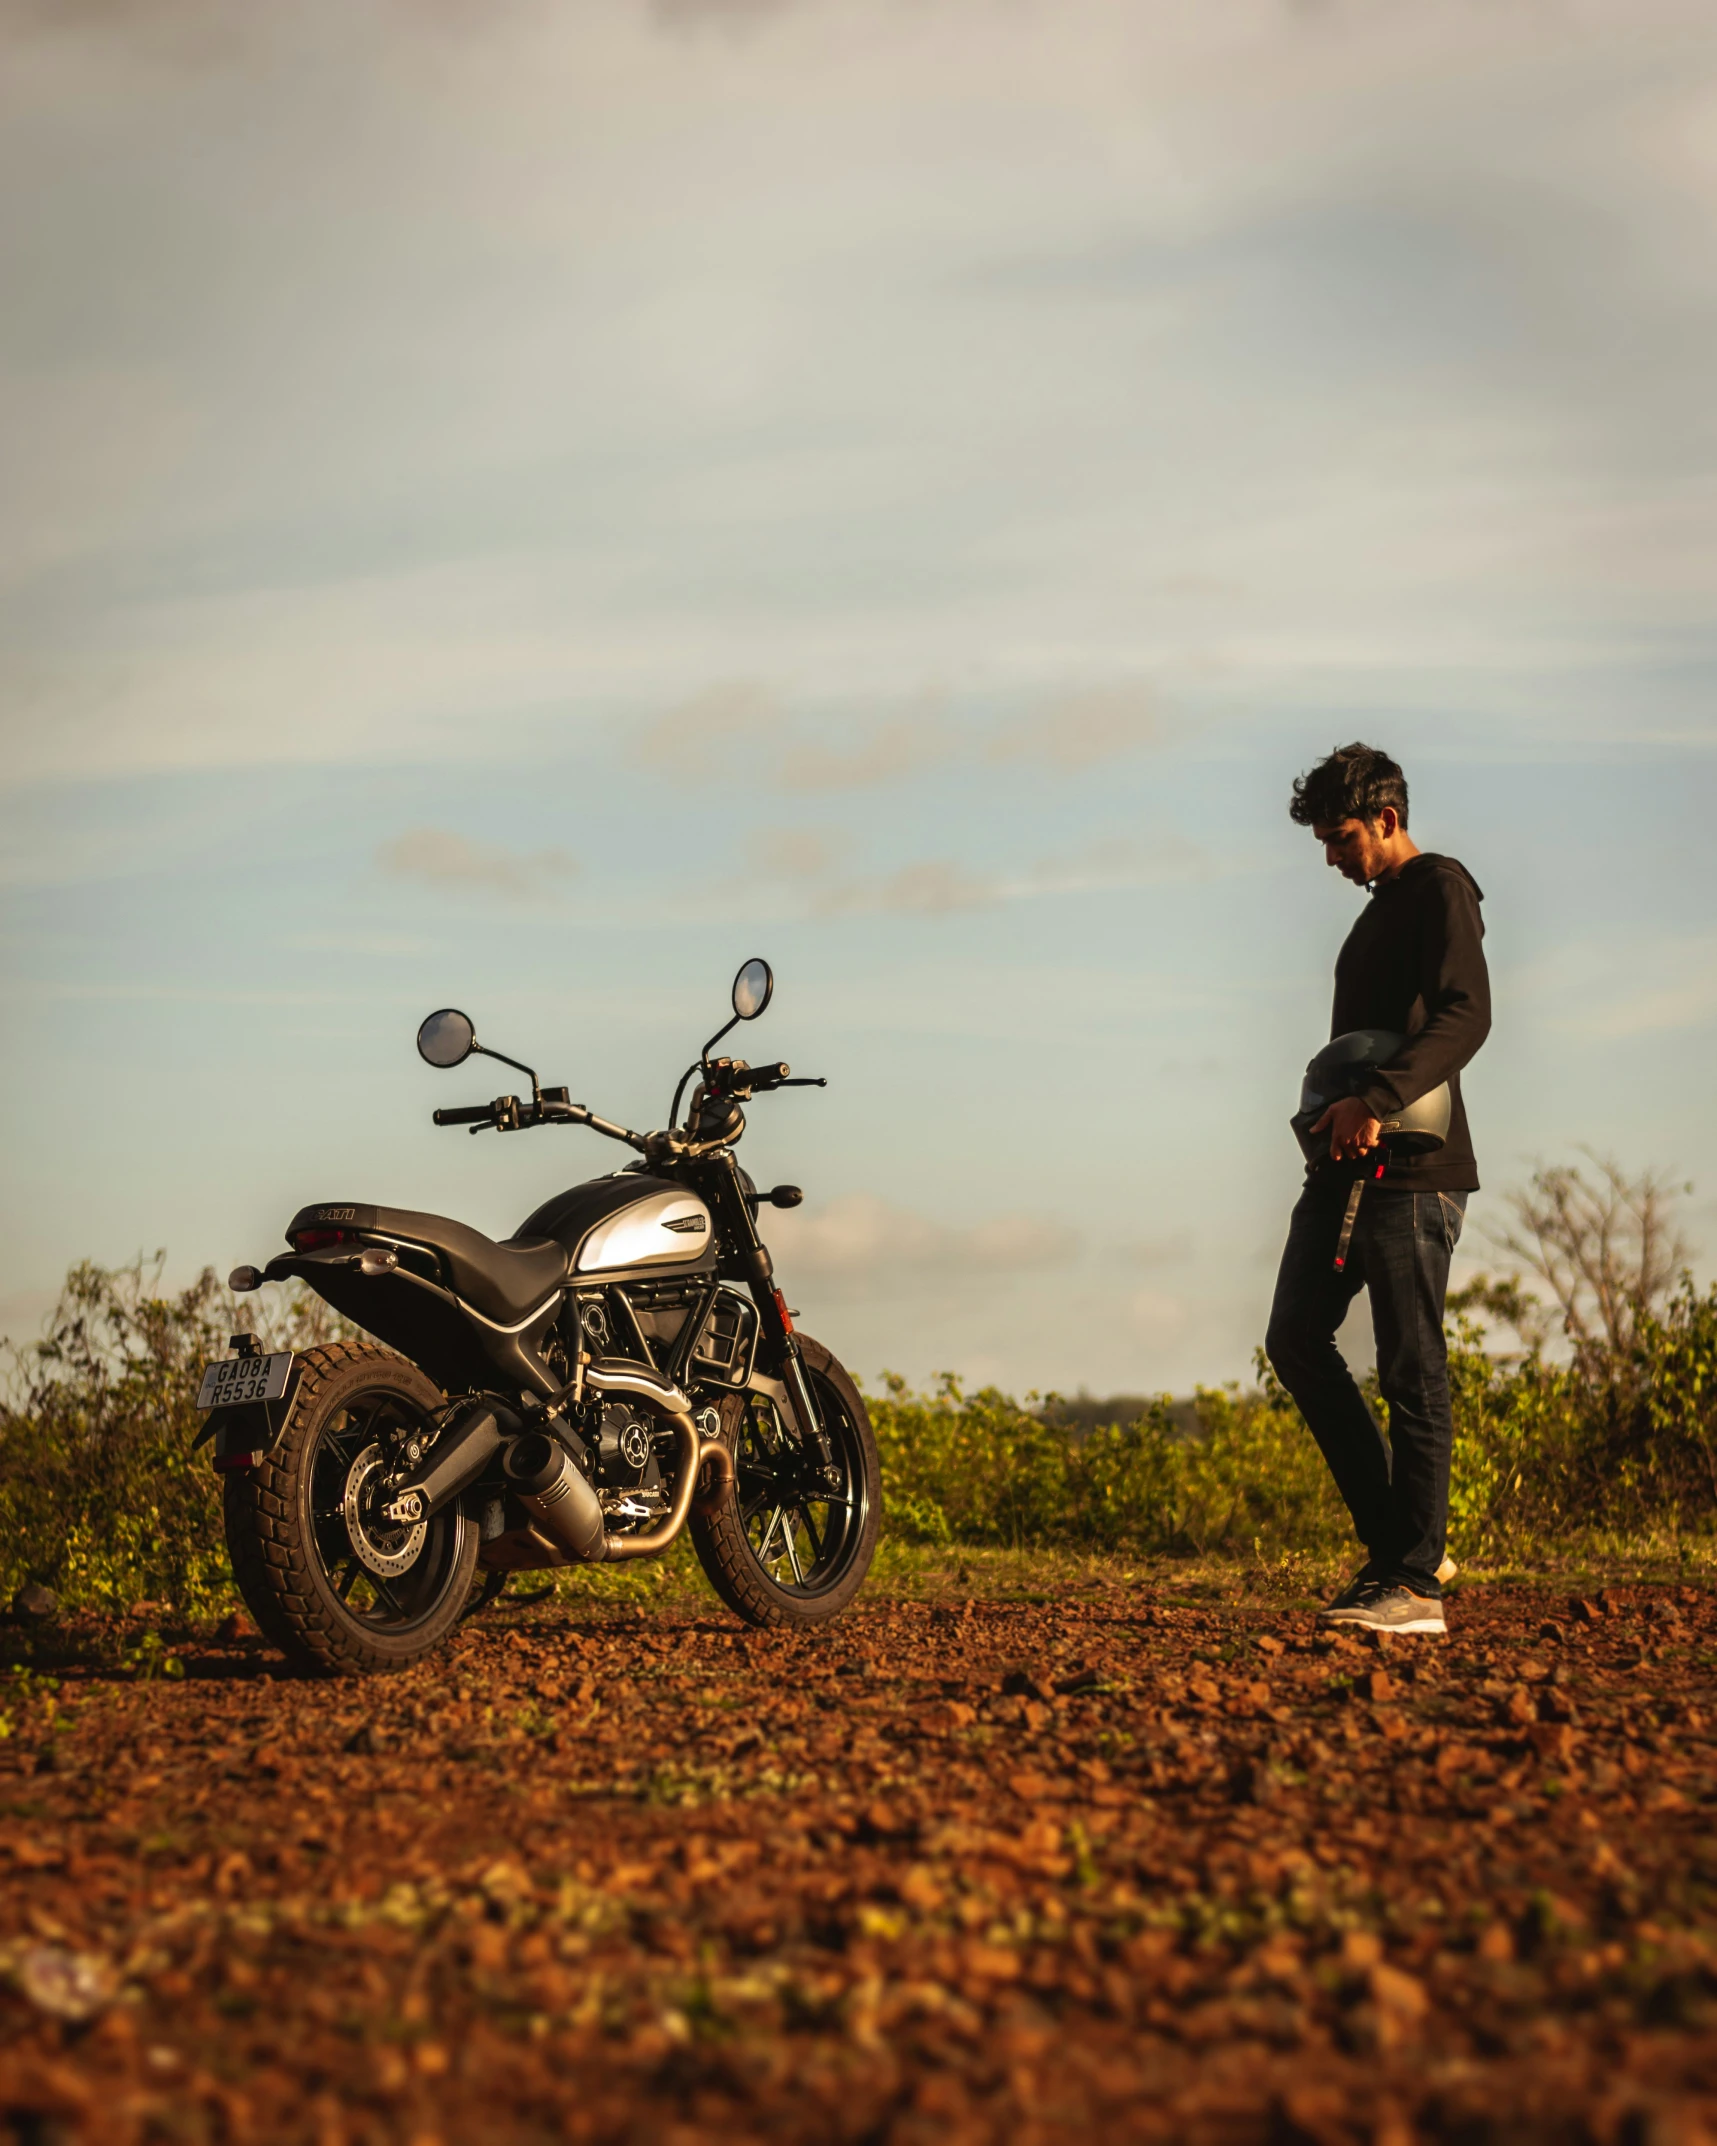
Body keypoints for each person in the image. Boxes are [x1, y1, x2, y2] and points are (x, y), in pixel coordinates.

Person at [1265, 744, 1490, 1635]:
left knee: (1408, 1362)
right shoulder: (1374, 912)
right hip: (1347, 1162)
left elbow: (1465, 1013)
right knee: (1294, 1338)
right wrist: (1330, 1114)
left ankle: (1413, 1591)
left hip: (1415, 1168)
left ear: (1386, 819)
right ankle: (1404, 1545)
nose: (1329, 856)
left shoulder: (1439, 888)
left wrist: (1377, 1098)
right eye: (1321, 840)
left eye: (1339, 837)